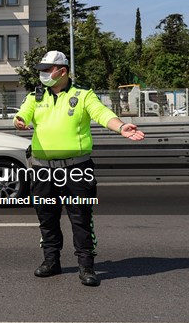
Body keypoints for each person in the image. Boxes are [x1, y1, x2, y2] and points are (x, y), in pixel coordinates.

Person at [13, 51, 146, 286]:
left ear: (62, 71)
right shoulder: (36, 96)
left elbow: (102, 114)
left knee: (81, 218)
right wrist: (19, 121)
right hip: (42, 170)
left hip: (77, 169)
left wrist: (121, 126)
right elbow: (22, 114)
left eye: (47, 70)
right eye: (42, 70)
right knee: (47, 219)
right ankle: (51, 261)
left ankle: (86, 266)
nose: (43, 74)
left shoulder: (83, 95)